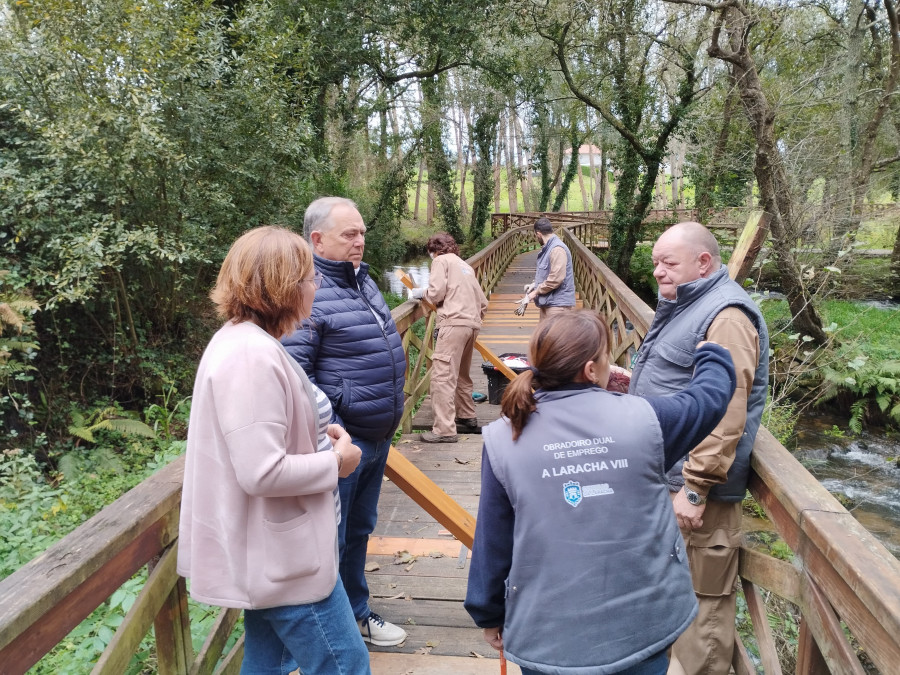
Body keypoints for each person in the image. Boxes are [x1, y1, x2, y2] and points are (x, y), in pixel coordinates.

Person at [464, 310, 737, 675]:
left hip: (548, 637)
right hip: (642, 626)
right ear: (591, 370)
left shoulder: (503, 435)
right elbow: (709, 398)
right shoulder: (648, 419)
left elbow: (493, 538)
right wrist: (712, 353)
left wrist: (488, 612)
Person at [177, 226, 371, 674]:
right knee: (346, 663)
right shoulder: (249, 357)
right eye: (309, 280)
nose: (315, 288)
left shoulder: (246, 341)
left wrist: (324, 433)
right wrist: (336, 463)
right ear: (284, 288)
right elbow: (261, 471)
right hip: (287, 559)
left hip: (276, 552)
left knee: (267, 664)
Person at [628, 221, 770, 675]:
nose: (658, 273)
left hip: (694, 495)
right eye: (655, 264)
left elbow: (726, 408)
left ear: (703, 262)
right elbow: (681, 382)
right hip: (665, 483)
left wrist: (695, 487)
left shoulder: (726, 315)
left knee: (702, 609)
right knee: (672, 596)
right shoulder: (686, 303)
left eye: (668, 263)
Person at [282, 197, 408, 647]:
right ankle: (328, 638)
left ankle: (356, 614)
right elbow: (299, 375)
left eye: (361, 232)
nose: (360, 241)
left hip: (377, 438)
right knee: (328, 541)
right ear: (317, 240)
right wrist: (339, 435)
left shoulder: (363, 280)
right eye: (349, 234)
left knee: (358, 531)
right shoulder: (307, 291)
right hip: (341, 446)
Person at [409, 233, 489, 443]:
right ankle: (467, 417)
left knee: (442, 377)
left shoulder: (440, 261)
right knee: (462, 374)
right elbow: (483, 303)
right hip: (471, 326)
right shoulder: (465, 266)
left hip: (453, 324)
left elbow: (436, 294)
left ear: (433, 250)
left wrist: (420, 293)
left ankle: (444, 430)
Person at [525, 216, 576, 321]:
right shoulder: (549, 248)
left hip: (558, 306)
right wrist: (534, 285)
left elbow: (556, 279)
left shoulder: (557, 249)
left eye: (536, 236)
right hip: (549, 303)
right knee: (544, 336)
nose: (536, 238)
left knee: (556, 337)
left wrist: (535, 293)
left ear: (539, 234)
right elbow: (548, 272)